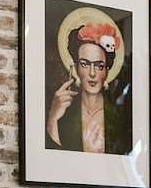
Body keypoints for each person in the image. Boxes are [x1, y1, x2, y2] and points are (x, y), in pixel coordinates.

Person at [46, 21, 131, 155]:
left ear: (107, 71)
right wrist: (53, 119)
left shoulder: (119, 115)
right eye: (85, 64)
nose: (92, 73)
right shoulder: (65, 112)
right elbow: (53, 158)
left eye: (99, 66)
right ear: (76, 68)